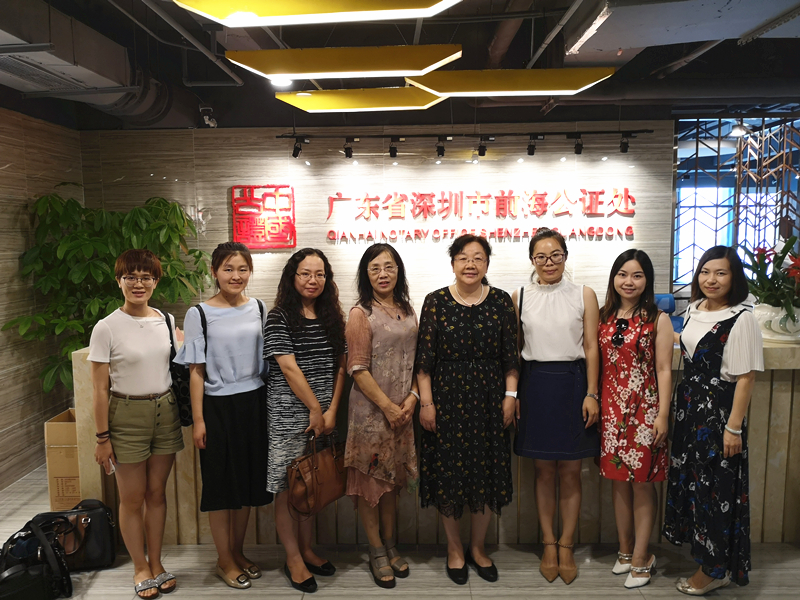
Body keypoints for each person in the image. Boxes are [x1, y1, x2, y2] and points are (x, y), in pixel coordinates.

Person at [415, 234, 518, 586]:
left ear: (487, 264)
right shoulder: (436, 301)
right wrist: (426, 403)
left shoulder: (501, 301)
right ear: (453, 263)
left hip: (490, 399)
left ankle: (478, 547)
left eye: (478, 258)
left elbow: (511, 356)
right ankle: (455, 548)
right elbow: (424, 361)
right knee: (449, 474)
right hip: (446, 400)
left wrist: (510, 396)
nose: (470, 264)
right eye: (463, 258)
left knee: (485, 473)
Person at [663, 245, 763, 595]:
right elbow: (691, 345)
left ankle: (714, 569)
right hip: (689, 412)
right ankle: (707, 560)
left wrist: (733, 428)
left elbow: (746, 378)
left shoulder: (742, 317)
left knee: (715, 490)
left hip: (718, 417)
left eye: (721, 273)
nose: (711, 279)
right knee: (695, 487)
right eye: (706, 272)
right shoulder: (695, 308)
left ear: (734, 277)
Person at [174, 242, 271, 590]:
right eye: (228, 269)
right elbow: (195, 371)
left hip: (254, 402)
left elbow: (267, 359)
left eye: (242, 269)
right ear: (214, 272)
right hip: (217, 407)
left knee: (246, 484)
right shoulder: (199, 313)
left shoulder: (259, 307)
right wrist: (200, 420)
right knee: (220, 486)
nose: (236, 276)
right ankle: (224, 559)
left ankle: (238, 552)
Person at [89, 249, 183, 599]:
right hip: (125, 415)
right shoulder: (106, 327)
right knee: (132, 498)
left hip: (166, 410)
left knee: (157, 494)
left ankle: (156, 563)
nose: (138, 283)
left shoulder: (166, 320)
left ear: (156, 281)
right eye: (131, 277)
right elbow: (99, 389)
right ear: (119, 281)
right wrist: (102, 438)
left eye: (146, 277)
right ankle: (139, 566)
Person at [512, 227, 600, 585]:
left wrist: (592, 392)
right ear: (532, 260)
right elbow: (515, 350)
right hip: (535, 384)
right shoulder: (520, 296)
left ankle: (567, 544)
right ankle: (549, 543)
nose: (549, 263)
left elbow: (592, 346)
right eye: (541, 257)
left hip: (573, 383)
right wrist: (515, 395)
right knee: (543, 471)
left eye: (556, 255)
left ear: (565, 256)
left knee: (571, 471)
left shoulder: (584, 293)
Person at [264, 248, 347, 594]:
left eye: (320, 274)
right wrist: (314, 409)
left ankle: (307, 549)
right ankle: (293, 557)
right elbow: (288, 366)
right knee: (288, 487)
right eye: (305, 273)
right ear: (292, 277)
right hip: (289, 415)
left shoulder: (332, 316)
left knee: (312, 482)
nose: (313, 280)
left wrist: (331, 411)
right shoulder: (279, 316)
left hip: (324, 416)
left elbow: (342, 365)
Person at [598, 249, 673, 589]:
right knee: (618, 481)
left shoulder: (658, 318)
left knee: (642, 483)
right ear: (614, 278)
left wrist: (662, 414)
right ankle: (625, 550)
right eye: (623, 274)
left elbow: (664, 369)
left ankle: (643, 557)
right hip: (611, 413)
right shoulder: (604, 316)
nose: (629, 281)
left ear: (647, 280)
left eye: (637, 275)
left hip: (645, 412)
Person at [345, 244, 419, 589]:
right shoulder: (361, 313)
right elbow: (357, 369)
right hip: (371, 414)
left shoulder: (407, 309)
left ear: (398, 271)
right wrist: (388, 407)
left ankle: (391, 544)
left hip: (403, 412)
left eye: (389, 267)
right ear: (366, 275)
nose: (383, 274)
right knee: (370, 484)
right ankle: (376, 550)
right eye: (375, 268)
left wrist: (413, 398)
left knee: (392, 483)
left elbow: (418, 360)